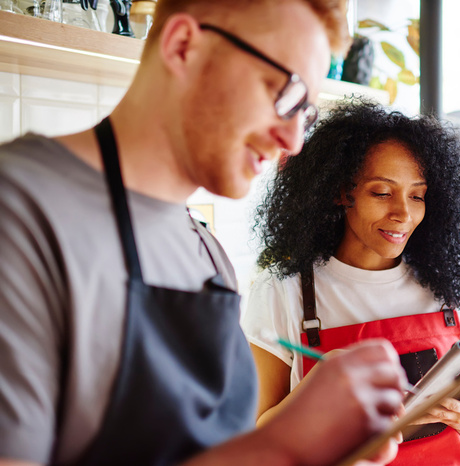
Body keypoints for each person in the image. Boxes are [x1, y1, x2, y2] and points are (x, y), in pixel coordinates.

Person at [0, 1, 409, 465]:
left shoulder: (206, 254)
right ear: (183, 46)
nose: (293, 141)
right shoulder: (19, 211)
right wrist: (284, 442)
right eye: (284, 92)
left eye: (306, 113)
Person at [243, 101, 460, 465]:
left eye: (417, 195)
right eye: (382, 192)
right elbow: (259, 441)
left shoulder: (444, 289)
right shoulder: (284, 292)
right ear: (341, 192)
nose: (403, 212)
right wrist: (320, 393)